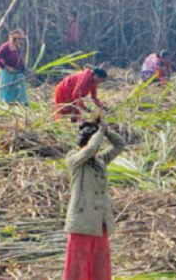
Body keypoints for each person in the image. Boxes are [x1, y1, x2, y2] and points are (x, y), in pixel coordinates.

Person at [63, 119, 125, 280]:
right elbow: (90, 150)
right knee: (78, 263)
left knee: (99, 261)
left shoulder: (100, 161)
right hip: (82, 221)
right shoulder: (74, 159)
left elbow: (120, 145)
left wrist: (106, 130)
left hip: (99, 221)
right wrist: (99, 133)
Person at [0, 30, 28, 105]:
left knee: (19, 91)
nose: (21, 41)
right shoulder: (5, 47)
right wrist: (6, 67)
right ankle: (5, 105)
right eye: (19, 39)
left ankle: (21, 104)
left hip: (18, 73)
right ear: (14, 39)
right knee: (7, 91)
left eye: (21, 39)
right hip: (8, 73)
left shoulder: (18, 47)